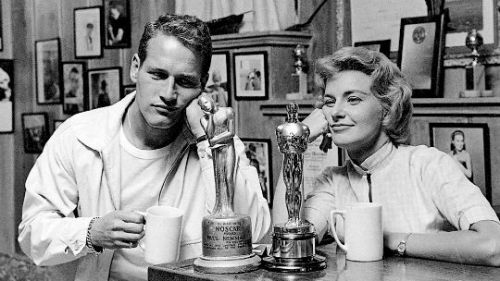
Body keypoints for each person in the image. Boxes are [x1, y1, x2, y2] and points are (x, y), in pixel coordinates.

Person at [18, 14, 271, 281]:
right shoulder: (80, 136)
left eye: (184, 81)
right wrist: (91, 232)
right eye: (158, 75)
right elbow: (32, 233)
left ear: (202, 84)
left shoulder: (217, 141)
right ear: (135, 68)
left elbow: (258, 232)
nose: (169, 93)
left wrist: (209, 144)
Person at [272, 47, 500, 266]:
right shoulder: (331, 182)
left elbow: (493, 245)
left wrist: (391, 240)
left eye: (353, 99)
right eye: (330, 102)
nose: (336, 112)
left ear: (387, 108)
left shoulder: (428, 165)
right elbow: (286, 247)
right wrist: (294, 144)